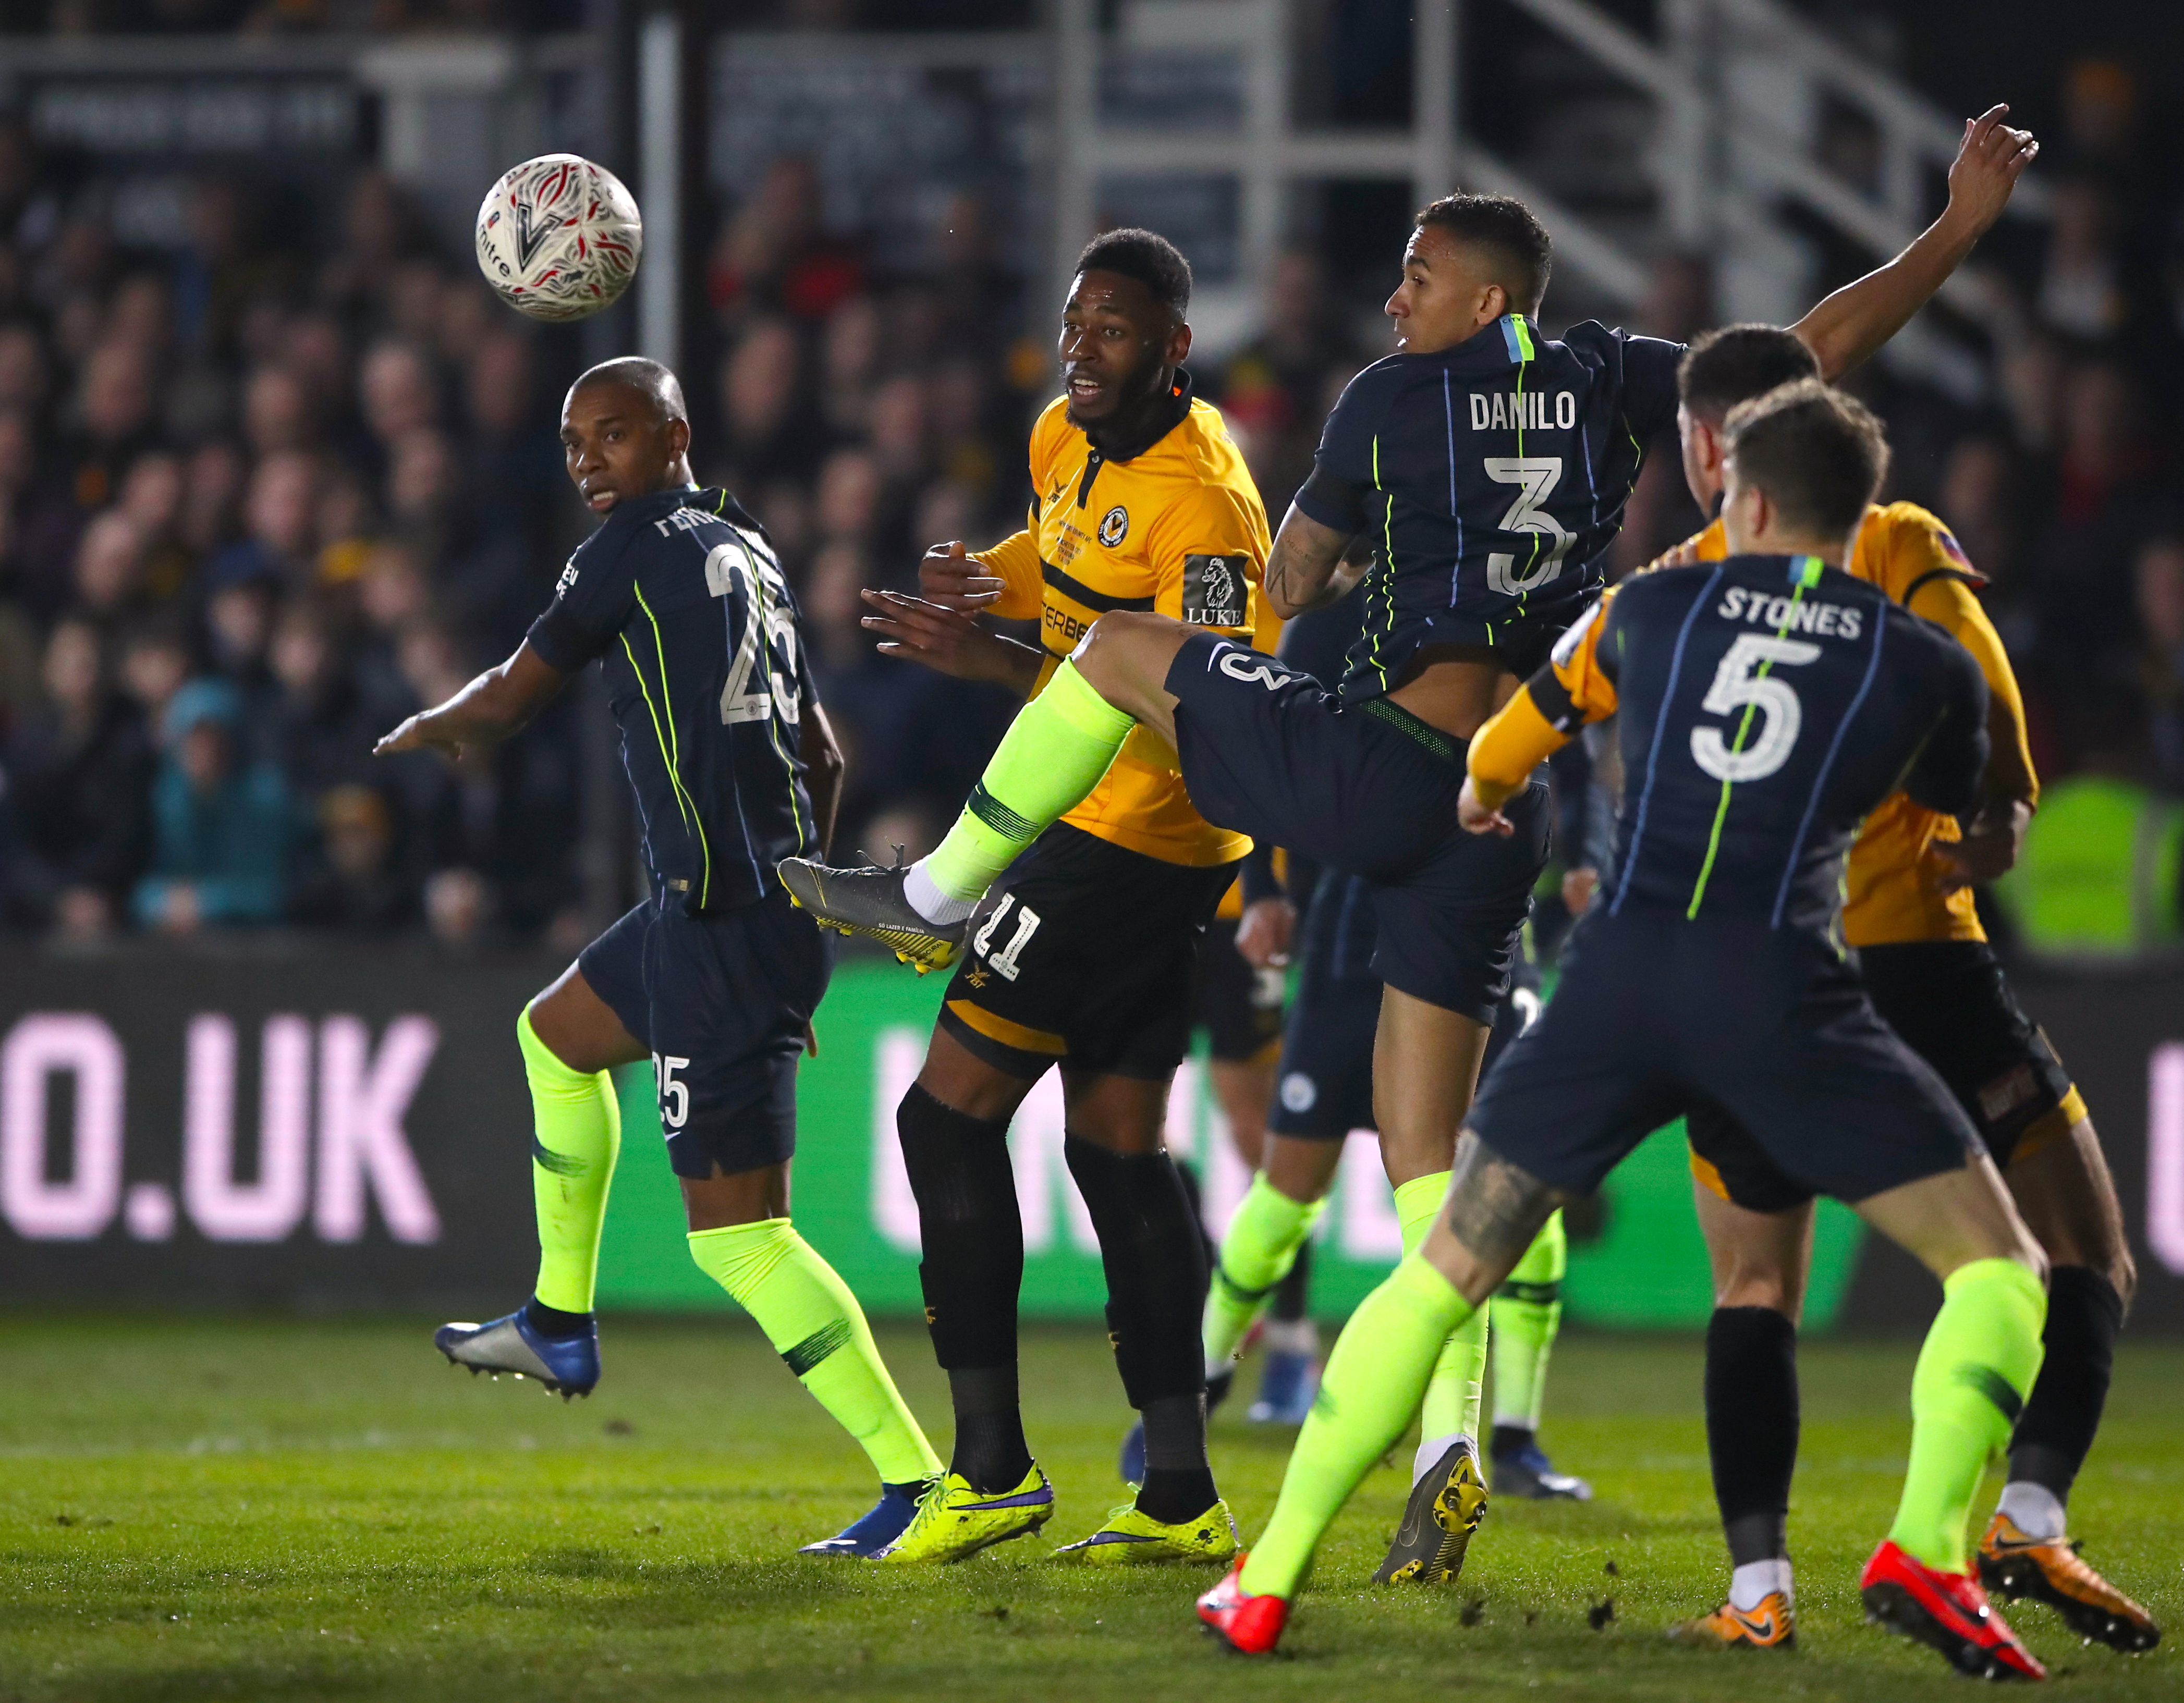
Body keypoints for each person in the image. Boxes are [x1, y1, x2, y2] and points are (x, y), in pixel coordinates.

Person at [785, 109, 2039, 1581]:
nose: (1396, 298)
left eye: (1420, 274)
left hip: (1390, 765)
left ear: (1483, 300)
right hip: (1506, 810)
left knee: (1127, 647)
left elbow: (1282, 587)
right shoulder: (1611, 378)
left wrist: (1330, 578)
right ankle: (1450, 1445)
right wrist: (1954, 228)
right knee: (1427, 1156)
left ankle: (934, 890)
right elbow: (1803, 353)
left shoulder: (1387, 400)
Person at [1198, 381, 2052, 1682]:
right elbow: (1965, 817)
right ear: (1858, 515)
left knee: (1440, 1275)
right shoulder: (1918, 658)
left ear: (1741, 498)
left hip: (1619, 988)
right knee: (1999, 1275)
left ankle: (1261, 1582)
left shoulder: (1645, 606)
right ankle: (1924, 1546)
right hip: (1784, 992)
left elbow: (1499, 754)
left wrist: (1484, 793)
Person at [1633, 325, 2158, 1653]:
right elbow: (1980, 684)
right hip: (1913, 948)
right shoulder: (1891, 537)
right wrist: (2005, 801)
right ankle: (2018, 1517)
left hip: (1741, 969)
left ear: (1708, 451)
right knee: (2072, 1249)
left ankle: (1758, 1596)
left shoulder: (1673, 586)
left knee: (1753, 1286)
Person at [377, 357, 941, 1560]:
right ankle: (558, 1317)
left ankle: (919, 1480)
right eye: (575, 442)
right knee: (554, 1034)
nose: (590, 461)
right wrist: (805, 913)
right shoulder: (749, 545)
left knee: (740, 1236)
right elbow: (822, 754)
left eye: (614, 436)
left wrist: (438, 722)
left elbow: (511, 697)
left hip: (720, 922)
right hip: (741, 908)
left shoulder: (626, 549)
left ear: (674, 434)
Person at [813, 229, 1271, 1566]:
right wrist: (993, 581)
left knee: (942, 1118)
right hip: (1106, 837)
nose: (1085, 346)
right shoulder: (1062, 438)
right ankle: (1179, 1494)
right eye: (1075, 323)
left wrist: (994, 661)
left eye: (1115, 329)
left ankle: (991, 1470)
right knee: (1116, 1150)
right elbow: (1067, 553)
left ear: (1174, 348)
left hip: (1140, 841)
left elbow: (1204, 713)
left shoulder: (1210, 507)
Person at [1195, 595, 1587, 1499]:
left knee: (1510, 1179)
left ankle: (1508, 1437)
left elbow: (1586, 747)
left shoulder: (1528, 598)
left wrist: (1588, 855)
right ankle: (1195, 1389)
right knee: (1292, 1182)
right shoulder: (1348, 619)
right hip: (1349, 940)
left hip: (1481, 926)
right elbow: (1279, 752)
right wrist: (1262, 889)